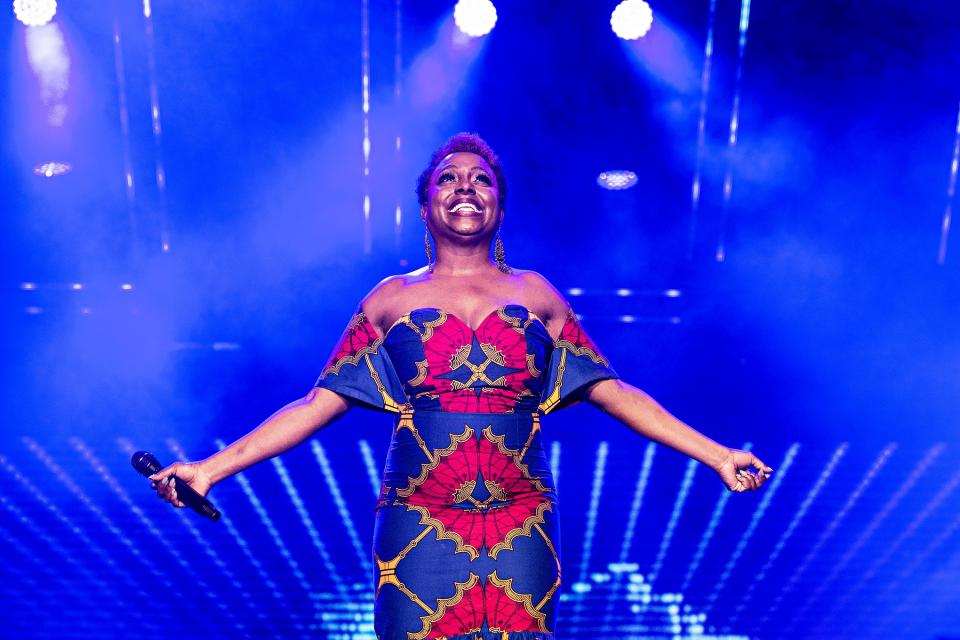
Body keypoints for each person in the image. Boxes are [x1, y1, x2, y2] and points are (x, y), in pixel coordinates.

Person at [150, 132, 772, 639]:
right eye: (449, 178)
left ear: (499, 205)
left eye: (482, 180)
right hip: (419, 512)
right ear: (426, 207)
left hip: (520, 513)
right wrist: (209, 469)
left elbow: (615, 392)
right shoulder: (390, 299)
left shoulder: (538, 295)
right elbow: (318, 403)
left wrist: (718, 455)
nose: (466, 187)